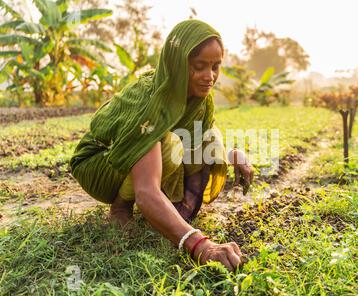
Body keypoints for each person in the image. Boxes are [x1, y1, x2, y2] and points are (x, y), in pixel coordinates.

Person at [69, 20, 254, 272]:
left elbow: (201, 139)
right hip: (99, 164)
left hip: (142, 158)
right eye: (199, 67)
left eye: (215, 66)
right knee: (168, 144)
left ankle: (172, 212)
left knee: (210, 136)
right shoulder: (150, 99)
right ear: (177, 63)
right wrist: (202, 246)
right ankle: (120, 208)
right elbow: (146, 192)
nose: (209, 76)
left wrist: (233, 154)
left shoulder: (199, 100)